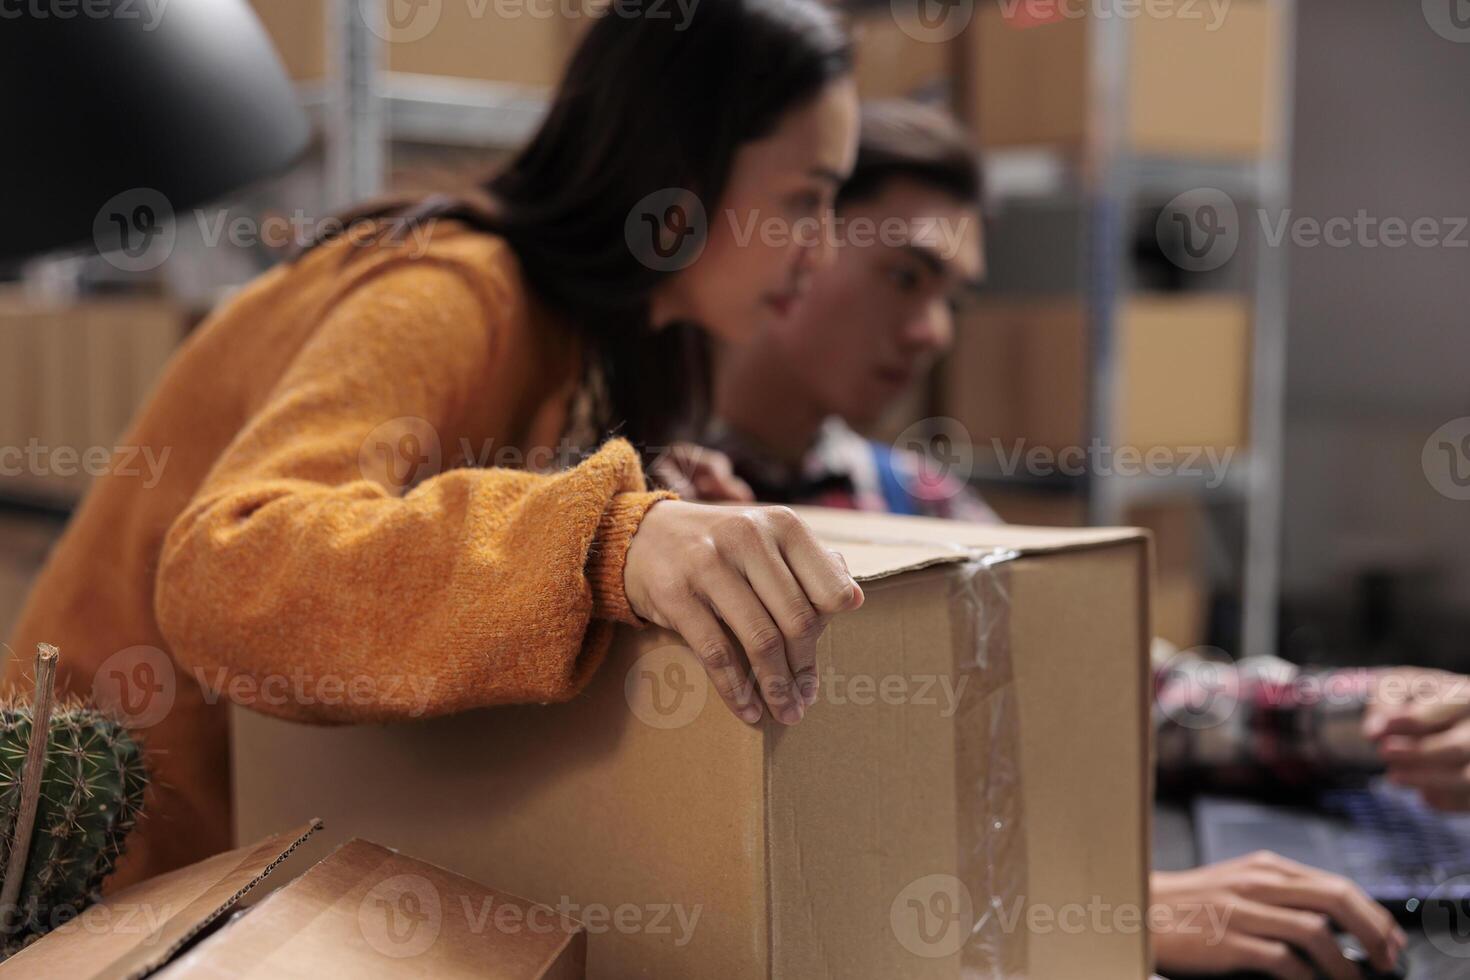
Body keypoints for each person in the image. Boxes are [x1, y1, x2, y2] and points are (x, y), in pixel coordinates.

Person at [3, 0, 869, 887]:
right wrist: (604, 541)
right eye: (805, 200)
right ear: (682, 174)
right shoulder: (447, 287)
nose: (822, 247)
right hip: (87, 881)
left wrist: (641, 501)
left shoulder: (577, 345)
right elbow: (232, 569)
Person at [705, 99, 1417, 979]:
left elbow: (1114, 686)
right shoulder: (631, 513)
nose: (933, 332)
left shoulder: (912, 498)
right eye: (904, 277)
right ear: (791, 240)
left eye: (951, 297)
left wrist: (1387, 712)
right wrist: (1085, 906)